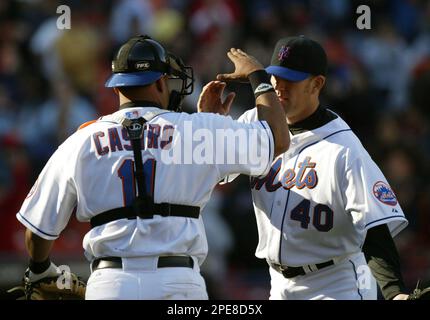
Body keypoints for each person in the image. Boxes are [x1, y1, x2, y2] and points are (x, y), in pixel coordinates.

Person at [15, 35, 289, 300]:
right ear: (160, 82)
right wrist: (259, 78)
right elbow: (278, 139)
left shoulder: (81, 140)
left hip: (111, 283)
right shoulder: (200, 130)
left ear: (117, 86)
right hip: (178, 282)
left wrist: (40, 270)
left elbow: (37, 231)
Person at [201, 35, 410, 300]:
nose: (279, 87)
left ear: (316, 84)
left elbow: (374, 226)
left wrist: (394, 292)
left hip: (335, 283)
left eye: (291, 80)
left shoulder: (343, 148)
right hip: (278, 284)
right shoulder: (254, 122)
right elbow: (207, 175)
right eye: (274, 78)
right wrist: (210, 126)